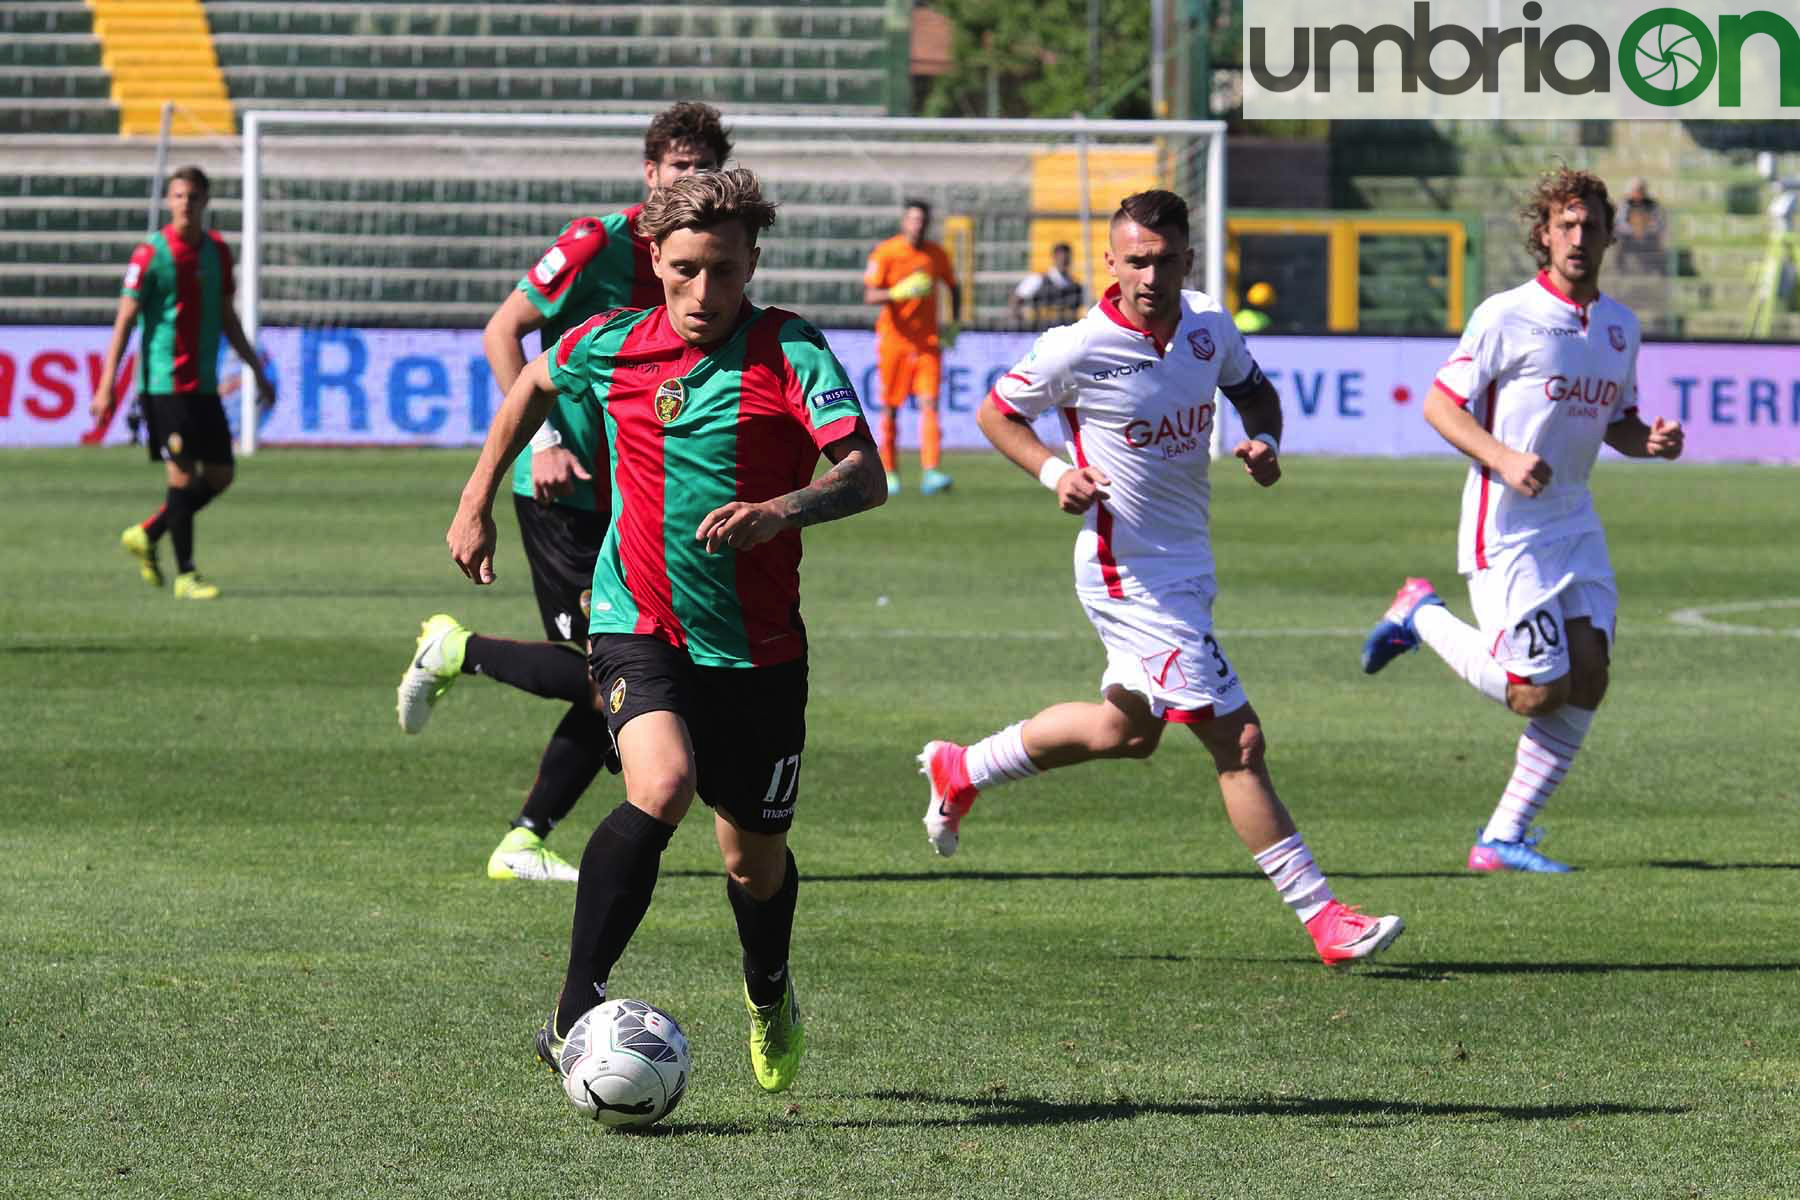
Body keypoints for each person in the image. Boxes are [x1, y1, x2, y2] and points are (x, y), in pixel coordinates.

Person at [446, 168, 886, 1094]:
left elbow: (863, 475)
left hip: (759, 651)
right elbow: (529, 377)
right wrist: (478, 497)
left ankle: (768, 987)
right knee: (663, 782)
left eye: (723, 271)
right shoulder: (611, 342)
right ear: (654, 258)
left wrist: (779, 510)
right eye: (683, 269)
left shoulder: (791, 350)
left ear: (751, 264)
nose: (702, 292)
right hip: (638, 622)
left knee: (752, 862)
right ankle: (572, 1011)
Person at [918, 190, 1405, 968]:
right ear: (1112, 262)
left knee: (1127, 732)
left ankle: (963, 767)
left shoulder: (1209, 327)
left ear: (1187, 259)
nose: (1148, 274)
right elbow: (995, 414)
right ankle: (1324, 919)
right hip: (1127, 574)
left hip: (1187, 569)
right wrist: (1053, 472)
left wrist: (1265, 440)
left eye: (1163, 259)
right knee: (1238, 740)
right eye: (1134, 260)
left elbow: (1253, 390)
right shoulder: (1076, 347)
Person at [396, 102, 731, 883]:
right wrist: (541, 441)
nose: (690, 180)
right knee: (608, 673)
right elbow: (501, 329)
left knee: (624, 681)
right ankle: (458, 651)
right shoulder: (595, 243)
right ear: (651, 173)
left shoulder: (703, 260)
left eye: (703, 169)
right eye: (679, 167)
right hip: (563, 490)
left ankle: (524, 840)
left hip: (639, 499)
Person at [1361, 167, 1685, 873]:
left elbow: (1619, 423)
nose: (1578, 237)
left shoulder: (1621, 326)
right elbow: (1441, 405)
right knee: (1534, 691)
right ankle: (1419, 614)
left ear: (1607, 236)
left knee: (1590, 677)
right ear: (1542, 234)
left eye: (1590, 225)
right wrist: (1503, 457)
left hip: (1575, 520)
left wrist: (1649, 443)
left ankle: (1501, 838)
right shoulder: (1505, 314)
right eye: (1564, 225)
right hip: (1505, 525)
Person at [90, 165, 276, 599]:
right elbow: (125, 320)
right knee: (181, 475)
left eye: (192, 197)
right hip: (163, 384)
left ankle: (148, 532)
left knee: (221, 474)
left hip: (204, 385)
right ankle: (187, 574)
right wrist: (105, 385)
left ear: (205, 201)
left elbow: (227, 318)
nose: (184, 204)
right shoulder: (150, 254)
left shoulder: (217, 252)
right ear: (168, 201)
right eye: (177, 196)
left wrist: (255, 369)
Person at [863, 198, 961, 496]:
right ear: (904, 222)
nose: (917, 226)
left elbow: (954, 287)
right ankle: (889, 472)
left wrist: (954, 324)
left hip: (927, 343)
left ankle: (931, 471)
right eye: (913, 220)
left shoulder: (936, 255)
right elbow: (869, 295)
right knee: (891, 409)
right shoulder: (887, 252)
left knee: (930, 404)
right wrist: (896, 292)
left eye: (922, 221)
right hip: (894, 342)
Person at [1009, 241, 1084, 327]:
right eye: (1061, 259)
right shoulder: (1037, 279)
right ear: (1054, 258)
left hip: (1067, 335)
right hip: (1040, 332)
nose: (1063, 262)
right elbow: (1015, 300)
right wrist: (1021, 326)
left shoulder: (1076, 286)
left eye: (1066, 259)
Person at [1614, 177, 1668, 275]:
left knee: (1661, 247)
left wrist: (1645, 230)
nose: (1638, 193)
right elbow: (1620, 224)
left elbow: (1659, 224)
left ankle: (1659, 273)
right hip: (1629, 239)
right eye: (1636, 190)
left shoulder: (1653, 205)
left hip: (1649, 238)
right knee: (1618, 244)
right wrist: (1634, 230)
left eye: (1641, 190)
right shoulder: (1625, 204)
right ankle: (1620, 272)